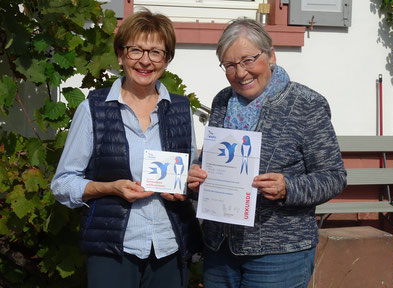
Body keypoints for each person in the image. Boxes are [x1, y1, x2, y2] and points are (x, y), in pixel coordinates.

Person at [187, 18, 347, 288]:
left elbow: (334, 176)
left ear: (271, 55)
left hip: (278, 253)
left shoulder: (306, 104)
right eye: (230, 65)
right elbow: (214, 163)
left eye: (248, 60)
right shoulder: (222, 102)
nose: (240, 73)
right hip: (221, 248)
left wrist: (289, 188)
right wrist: (197, 178)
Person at [51, 9, 201, 288]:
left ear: (166, 60)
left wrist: (187, 185)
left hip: (169, 248)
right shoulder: (93, 108)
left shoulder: (181, 109)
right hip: (114, 249)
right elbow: (62, 184)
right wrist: (110, 188)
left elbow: (188, 174)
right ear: (121, 56)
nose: (145, 61)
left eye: (156, 52)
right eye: (136, 50)